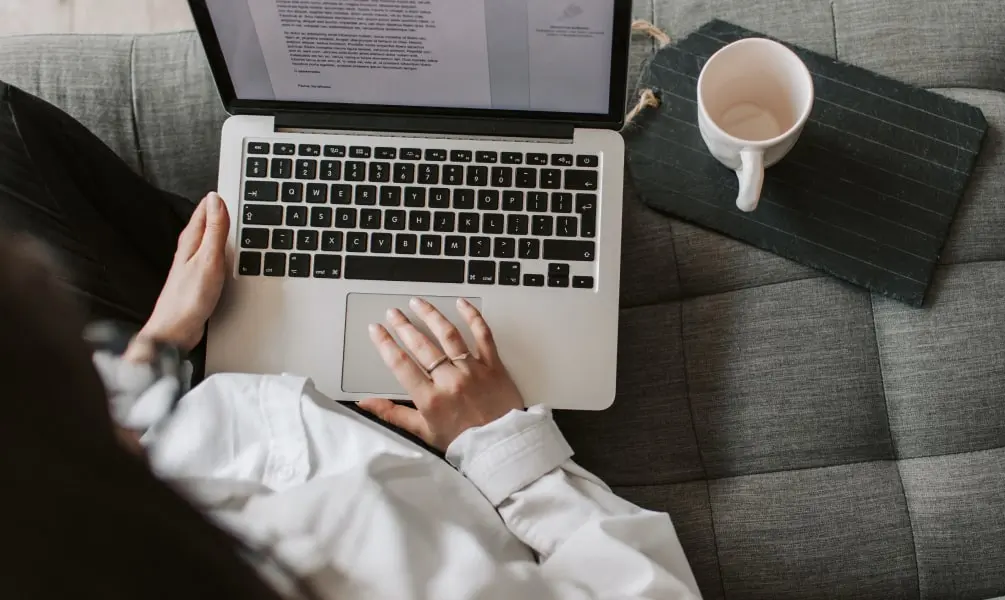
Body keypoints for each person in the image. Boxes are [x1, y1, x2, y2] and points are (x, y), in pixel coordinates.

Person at [0, 80, 701, 599]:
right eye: (92, 374)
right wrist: (502, 442)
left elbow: (69, 439)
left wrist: (159, 341)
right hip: (430, 446)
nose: (106, 366)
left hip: (195, 387)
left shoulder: (61, 514)